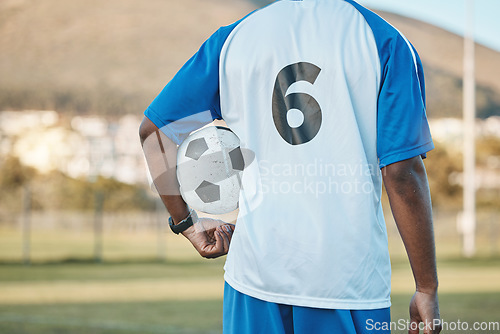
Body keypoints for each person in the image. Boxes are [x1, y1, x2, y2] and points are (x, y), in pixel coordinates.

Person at [139, 0, 441, 333]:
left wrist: (186, 223)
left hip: (254, 279)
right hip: (346, 282)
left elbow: (155, 135)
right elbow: (401, 171)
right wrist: (426, 287)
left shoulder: (233, 41)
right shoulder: (384, 40)